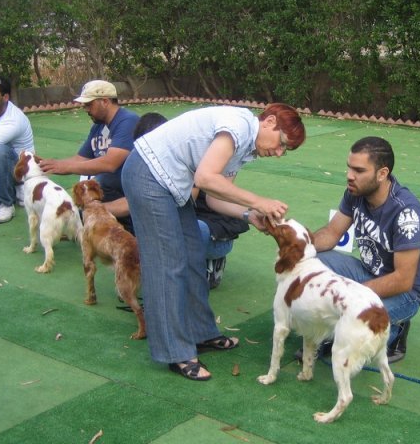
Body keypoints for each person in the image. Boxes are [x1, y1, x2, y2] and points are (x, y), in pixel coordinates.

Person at [121, 103, 305, 381]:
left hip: (172, 181)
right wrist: (259, 201)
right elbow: (205, 177)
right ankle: (176, 352)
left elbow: (213, 196)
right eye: (281, 144)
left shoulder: (245, 148)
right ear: (268, 122)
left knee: (194, 253)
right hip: (148, 174)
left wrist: (248, 214)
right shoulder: (239, 127)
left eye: (285, 151)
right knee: (167, 264)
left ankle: (200, 333)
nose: (279, 153)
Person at [304, 136, 420, 363]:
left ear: (382, 174)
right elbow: (332, 233)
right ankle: (340, 327)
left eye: (358, 170)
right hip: (370, 273)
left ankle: (395, 333)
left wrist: (350, 295)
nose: (349, 176)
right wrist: (299, 247)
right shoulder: (356, 193)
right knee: (313, 261)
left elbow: (403, 280)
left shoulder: (406, 213)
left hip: (405, 293)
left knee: (352, 325)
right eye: (349, 168)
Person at [112, 111, 249, 288]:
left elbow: (182, 198)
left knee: (179, 227)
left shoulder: (193, 155)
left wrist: (95, 210)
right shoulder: (148, 158)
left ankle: (208, 264)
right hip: (191, 218)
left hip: (213, 231)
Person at [38, 80, 139, 233]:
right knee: (89, 188)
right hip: (111, 187)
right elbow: (81, 158)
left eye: (89, 104)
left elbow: (110, 163)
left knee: (101, 181)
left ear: (105, 101)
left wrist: (65, 166)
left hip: (128, 188)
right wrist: (51, 165)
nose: (85, 109)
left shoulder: (127, 121)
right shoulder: (98, 126)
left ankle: (128, 229)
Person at [0, 75, 35, 224]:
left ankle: (6, 204)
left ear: (5, 97)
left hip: (20, 172)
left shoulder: (13, 120)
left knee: (0, 150)